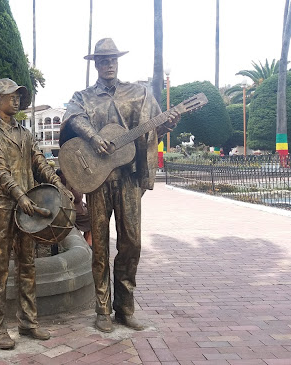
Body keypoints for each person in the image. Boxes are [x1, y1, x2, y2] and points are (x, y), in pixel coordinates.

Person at [59, 38, 180, 333]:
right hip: (98, 180)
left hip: (127, 178)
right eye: (103, 60)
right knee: (99, 245)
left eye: (112, 59)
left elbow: (152, 130)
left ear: (118, 62)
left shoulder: (139, 94)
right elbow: (72, 117)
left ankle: (125, 308)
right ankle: (102, 310)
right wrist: (93, 137)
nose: (109, 64)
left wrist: (167, 124)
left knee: (131, 243)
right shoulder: (83, 96)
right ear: (96, 64)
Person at [0, 78, 73, 350]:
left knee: (28, 265)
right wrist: (19, 196)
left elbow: (39, 161)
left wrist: (57, 183)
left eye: (19, 95)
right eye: (11, 96)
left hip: (28, 208)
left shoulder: (25, 133)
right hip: (2, 207)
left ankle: (28, 321)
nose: (17, 100)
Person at [56, 168, 92, 245]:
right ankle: (88, 244)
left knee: (92, 215)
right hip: (73, 212)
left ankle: (86, 242)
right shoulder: (66, 182)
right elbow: (78, 198)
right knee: (93, 219)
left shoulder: (70, 182)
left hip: (76, 210)